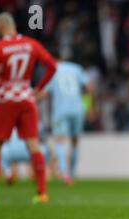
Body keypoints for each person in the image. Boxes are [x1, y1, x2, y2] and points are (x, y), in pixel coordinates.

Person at [0, 12, 56, 204]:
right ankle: (42, 193)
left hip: (5, 99)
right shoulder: (31, 44)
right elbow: (52, 66)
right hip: (27, 98)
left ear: (0, 26)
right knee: (33, 144)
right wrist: (38, 89)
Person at [36, 53, 94, 184]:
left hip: (61, 110)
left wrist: (31, 101)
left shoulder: (52, 71)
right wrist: (90, 107)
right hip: (78, 109)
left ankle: (64, 172)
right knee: (75, 141)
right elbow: (89, 87)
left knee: (59, 141)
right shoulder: (76, 68)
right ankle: (72, 173)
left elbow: (43, 94)